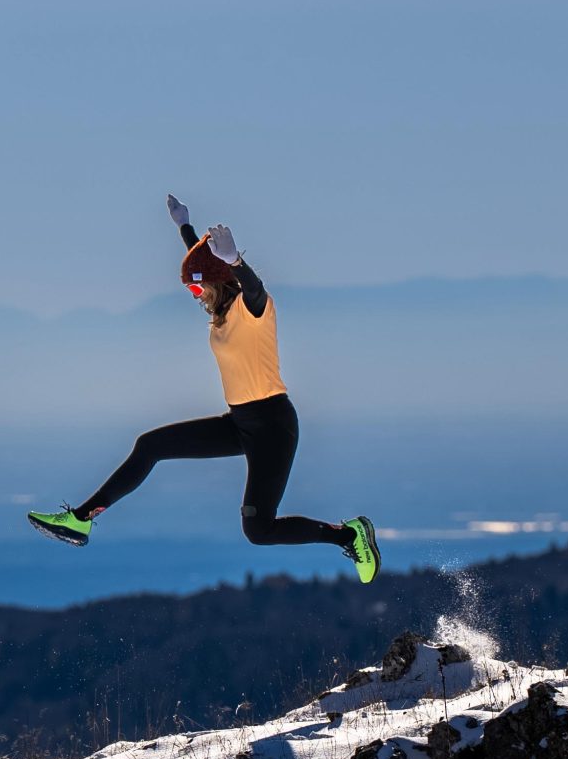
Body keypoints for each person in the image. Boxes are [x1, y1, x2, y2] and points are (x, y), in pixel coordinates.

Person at [27, 195, 381, 584]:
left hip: (272, 424)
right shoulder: (224, 313)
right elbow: (202, 262)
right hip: (240, 420)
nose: (195, 297)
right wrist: (184, 228)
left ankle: (350, 534)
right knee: (150, 445)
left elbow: (255, 287)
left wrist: (236, 262)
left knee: (258, 530)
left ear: (217, 281)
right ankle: (80, 520)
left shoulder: (252, 309)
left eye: (197, 290)